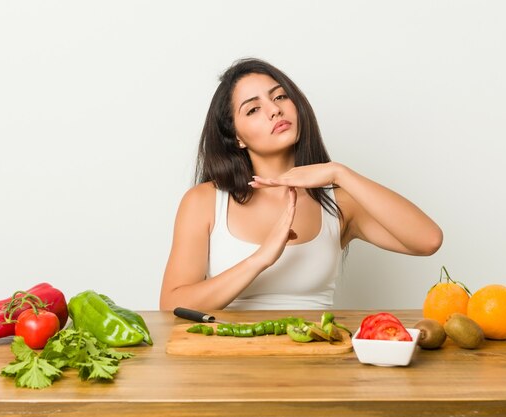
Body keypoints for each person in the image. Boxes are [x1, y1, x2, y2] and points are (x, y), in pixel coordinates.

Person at [159, 58, 442, 311]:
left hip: (318, 362)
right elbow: (171, 305)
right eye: (253, 109)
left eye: (280, 96)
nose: (274, 110)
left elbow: (428, 240)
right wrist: (259, 260)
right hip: (231, 361)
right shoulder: (205, 201)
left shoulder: (338, 202)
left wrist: (339, 173)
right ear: (236, 138)